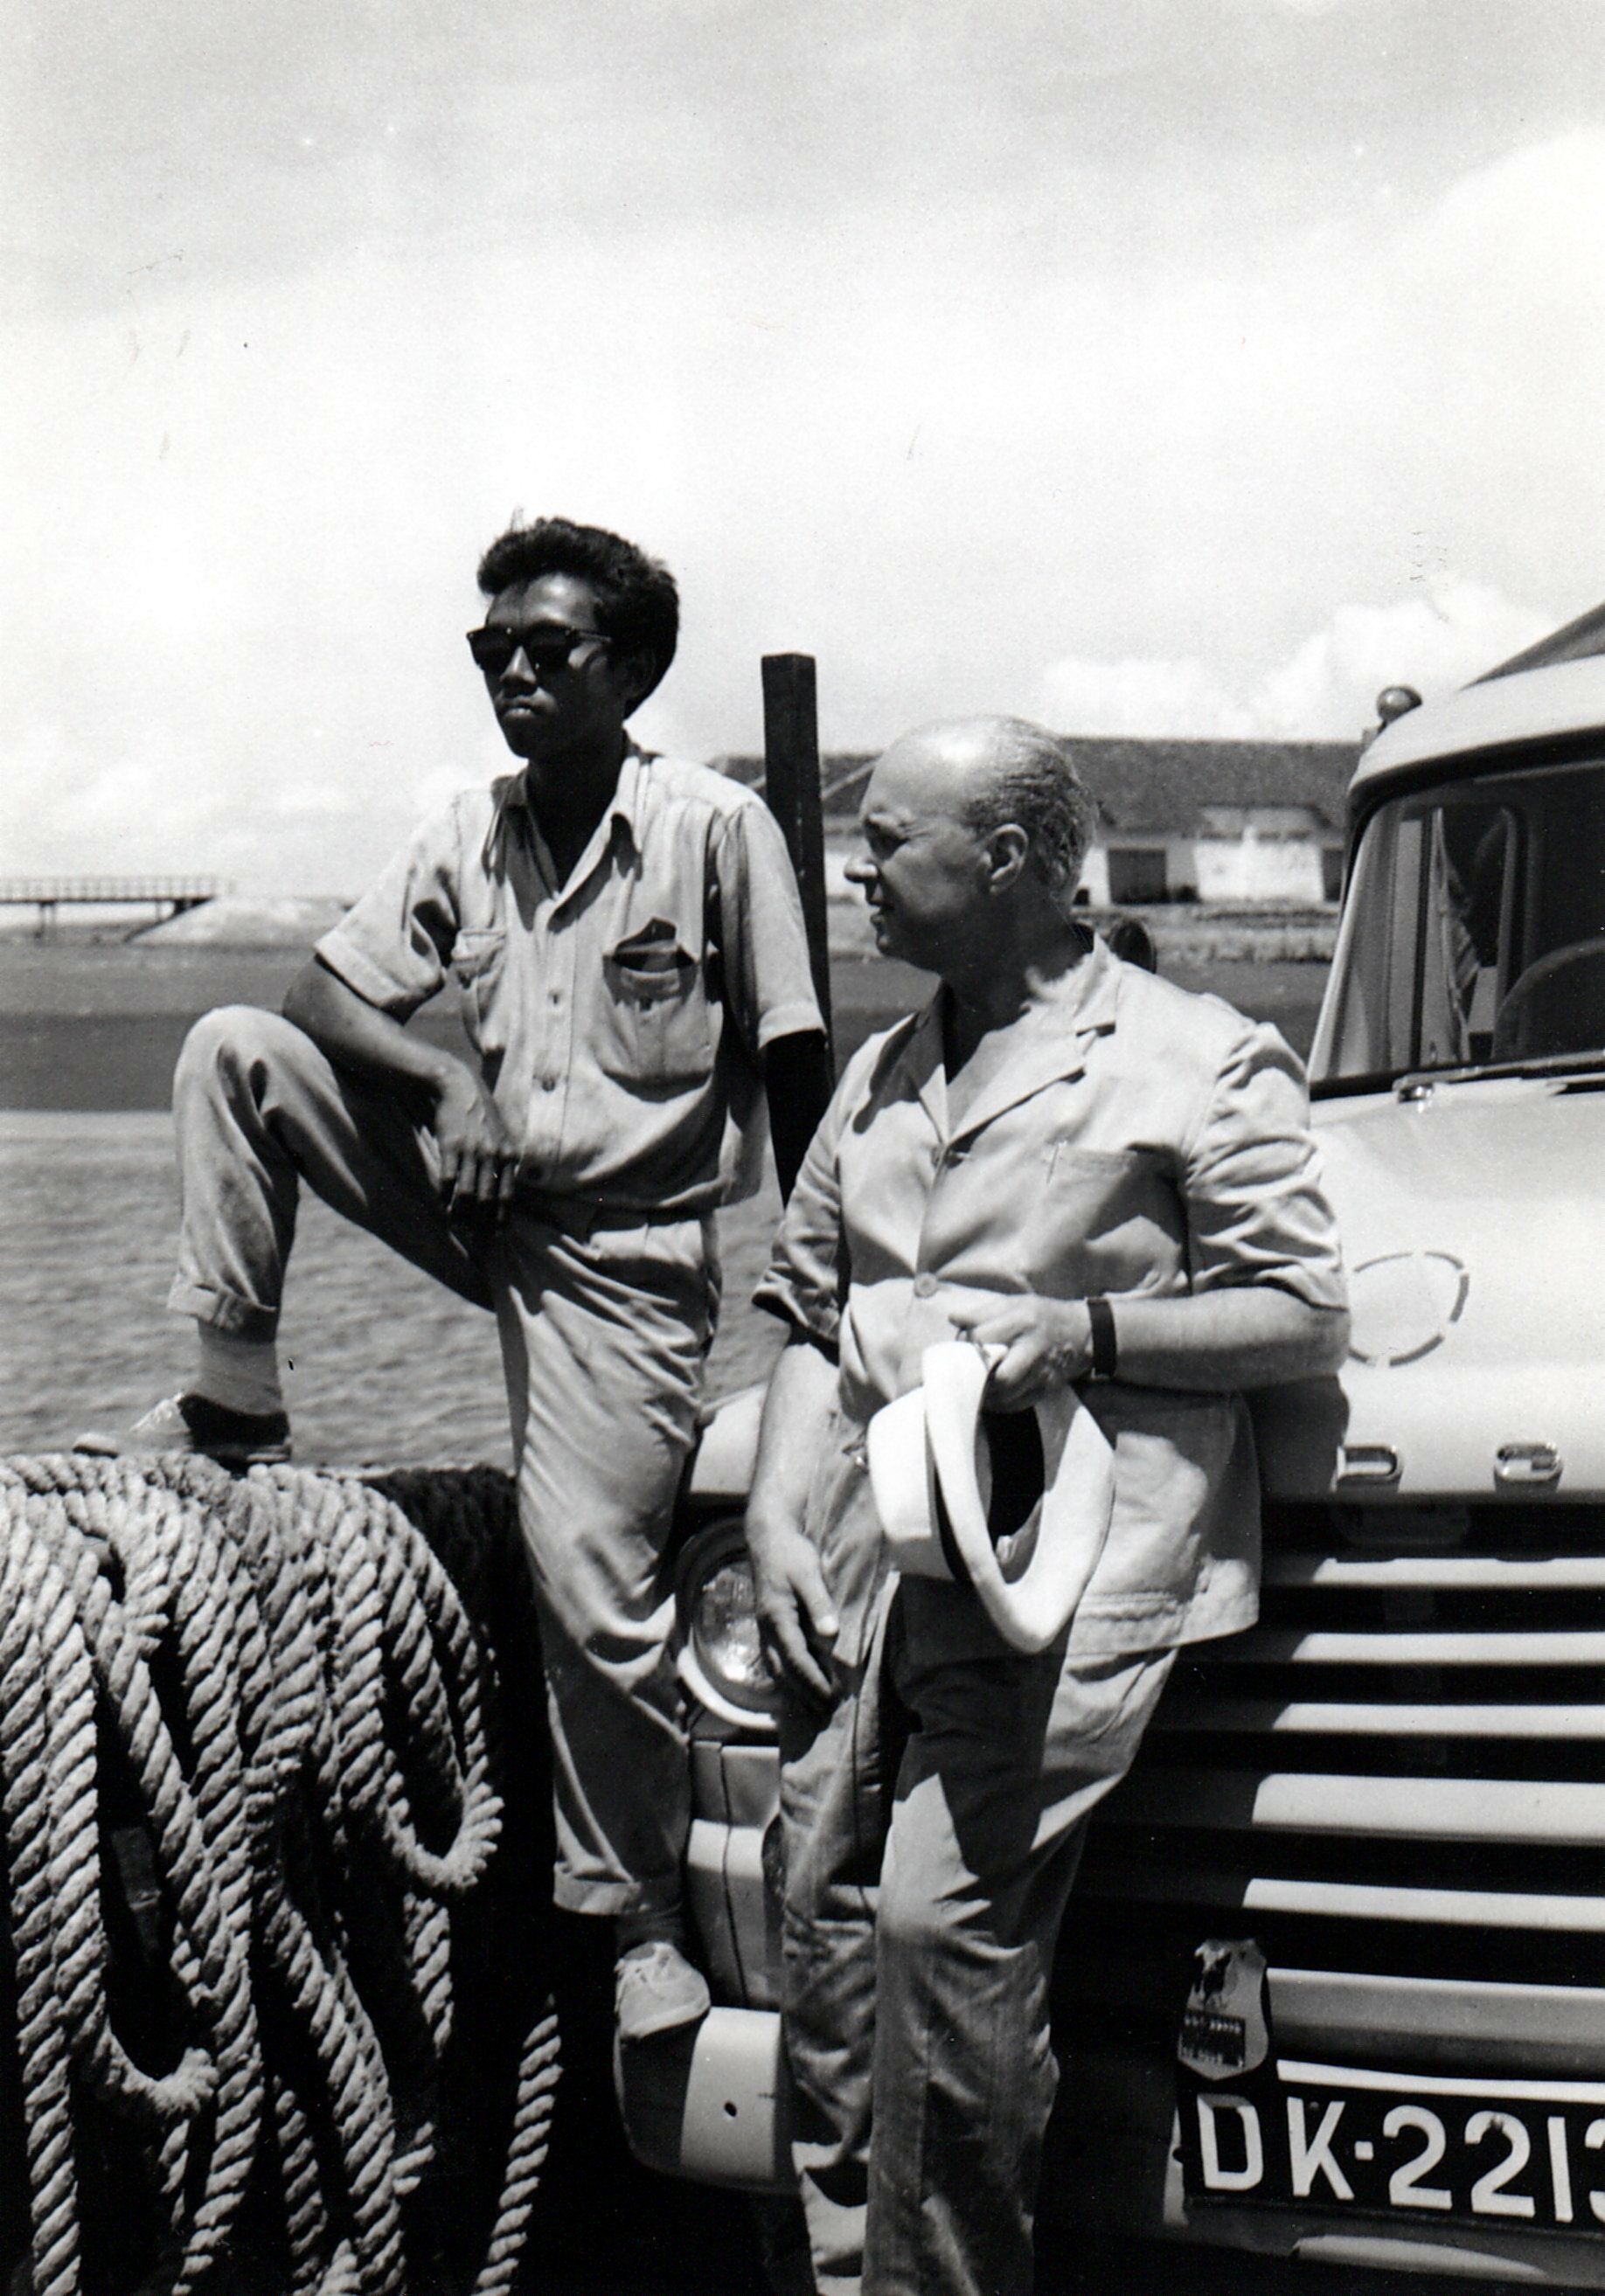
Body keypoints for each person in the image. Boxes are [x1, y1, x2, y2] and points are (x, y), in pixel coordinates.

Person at [82, 517, 832, 2043]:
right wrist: (442, 1084)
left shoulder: (714, 830)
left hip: (625, 1261)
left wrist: (830, 1293)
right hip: (480, 1201)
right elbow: (321, 993)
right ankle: (235, 1399)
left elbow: (799, 1058)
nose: (512, 674)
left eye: (546, 649)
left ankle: (636, 1917)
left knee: (593, 1588)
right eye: (490, 650)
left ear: (630, 669)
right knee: (235, 1049)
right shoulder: (468, 830)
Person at [743, 716, 1348, 2296]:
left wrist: (1086, 1333)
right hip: (865, 1563)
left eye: (888, 844)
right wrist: (772, 1522)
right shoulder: (882, 1071)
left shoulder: (1197, 1058)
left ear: (1006, 860)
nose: (859, 873)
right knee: (821, 1928)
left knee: (941, 1929)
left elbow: (1301, 1311)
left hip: (1064, 1578)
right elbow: (809, 1313)